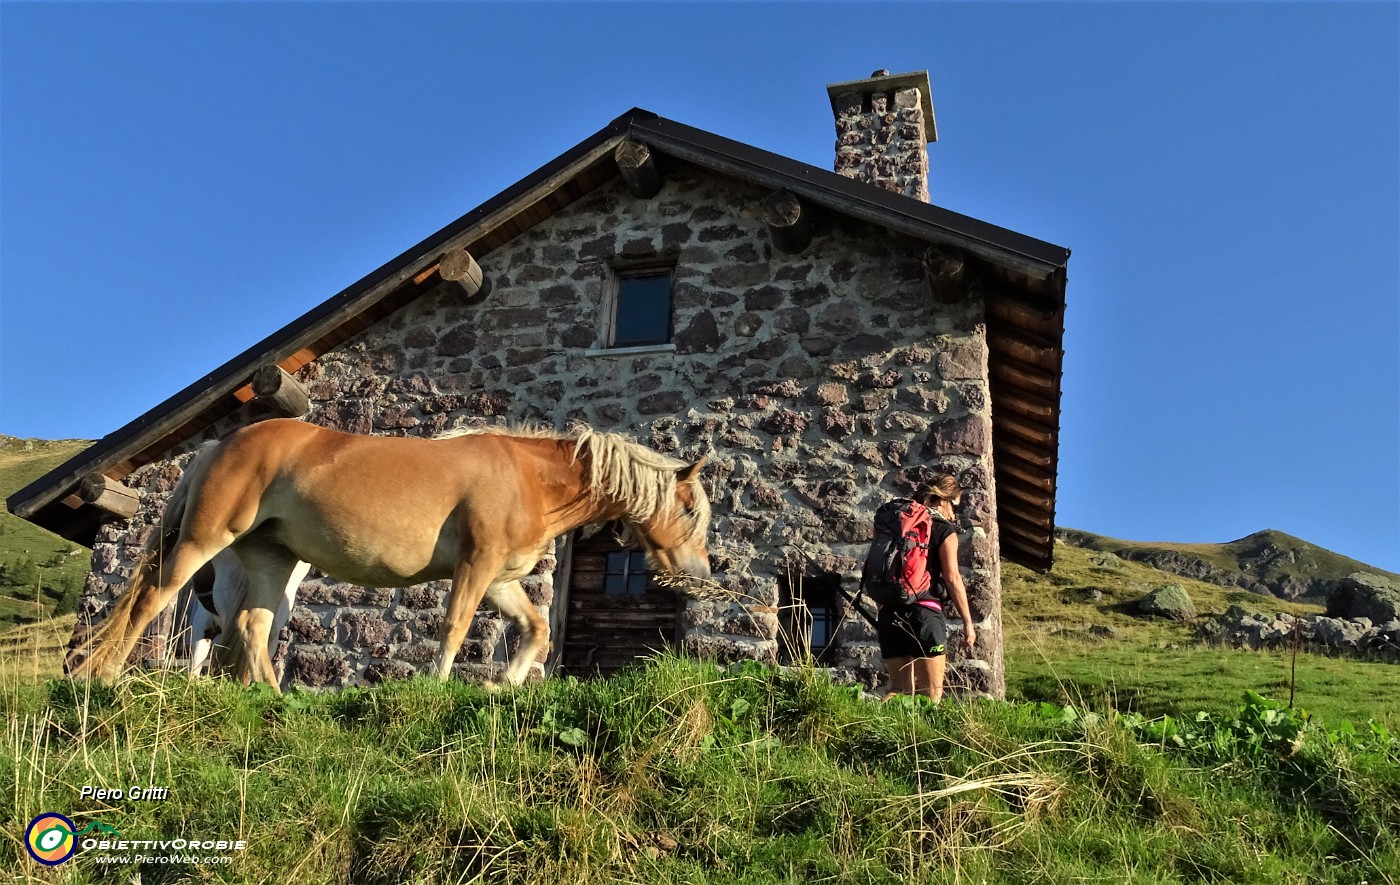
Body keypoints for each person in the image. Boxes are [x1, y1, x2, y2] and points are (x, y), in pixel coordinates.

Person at [877, 475, 976, 702]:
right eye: (954, 505)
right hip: (924, 614)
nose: (954, 513)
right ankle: (923, 738)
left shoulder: (894, 525)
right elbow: (952, 577)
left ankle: (870, 735)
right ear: (941, 500)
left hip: (889, 612)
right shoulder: (943, 529)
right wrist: (967, 622)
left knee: (898, 690)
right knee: (931, 694)